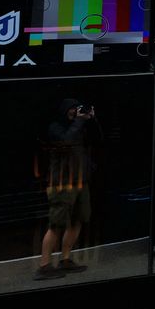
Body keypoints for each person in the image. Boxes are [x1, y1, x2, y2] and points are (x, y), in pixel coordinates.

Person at [34, 97, 100, 280]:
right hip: (62, 182)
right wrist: (79, 121)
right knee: (56, 223)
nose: (75, 112)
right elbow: (66, 141)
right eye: (72, 109)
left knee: (78, 219)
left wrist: (92, 120)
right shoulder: (56, 127)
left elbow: (98, 139)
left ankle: (65, 259)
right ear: (65, 110)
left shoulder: (80, 126)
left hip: (81, 180)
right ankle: (44, 266)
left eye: (77, 108)